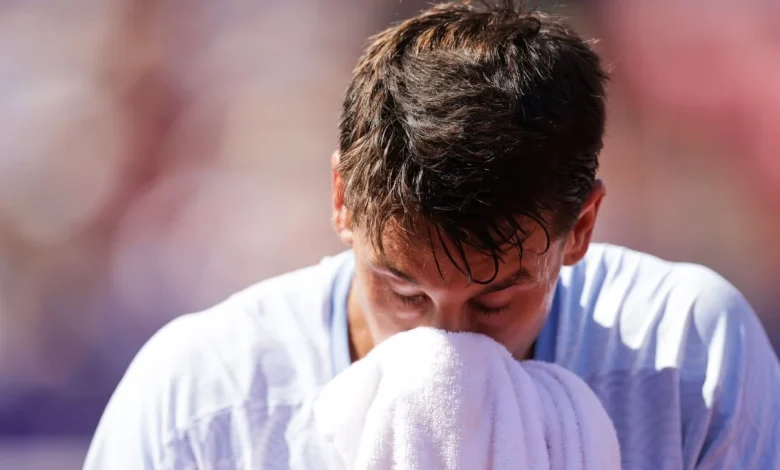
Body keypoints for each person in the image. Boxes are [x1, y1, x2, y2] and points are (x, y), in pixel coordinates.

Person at [84, 1, 780, 469]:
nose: (444, 349)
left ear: (581, 228)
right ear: (342, 202)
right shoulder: (202, 401)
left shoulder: (691, 361)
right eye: (404, 291)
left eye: (494, 301)